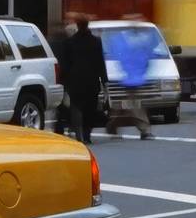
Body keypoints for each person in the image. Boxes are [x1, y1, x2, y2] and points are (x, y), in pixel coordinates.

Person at [105, 14, 154, 140]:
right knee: (134, 105)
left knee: (125, 105)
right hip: (127, 78)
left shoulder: (142, 39)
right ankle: (145, 130)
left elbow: (147, 56)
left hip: (136, 78)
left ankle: (112, 126)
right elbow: (118, 57)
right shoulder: (121, 39)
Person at [63, 16, 107, 144]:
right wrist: (104, 81)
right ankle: (87, 134)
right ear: (88, 25)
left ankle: (79, 135)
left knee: (76, 107)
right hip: (92, 81)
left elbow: (66, 64)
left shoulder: (69, 42)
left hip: (75, 80)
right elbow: (100, 63)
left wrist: (64, 82)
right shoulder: (96, 41)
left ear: (77, 26)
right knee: (90, 109)